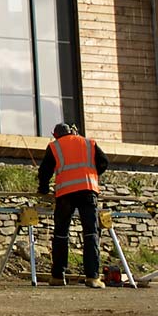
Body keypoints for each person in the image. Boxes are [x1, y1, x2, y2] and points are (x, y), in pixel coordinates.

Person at [37, 122, 110, 288]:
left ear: (55, 135)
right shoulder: (88, 142)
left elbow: (44, 171)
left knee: (61, 234)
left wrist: (43, 189)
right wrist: (92, 175)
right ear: (72, 131)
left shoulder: (54, 146)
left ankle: (58, 277)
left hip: (65, 194)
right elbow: (104, 161)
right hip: (87, 190)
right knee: (91, 233)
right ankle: (92, 278)